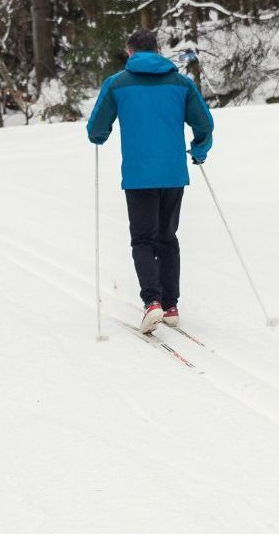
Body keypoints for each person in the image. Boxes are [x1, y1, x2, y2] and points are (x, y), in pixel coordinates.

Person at [87, 27, 214, 332]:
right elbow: (204, 123)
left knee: (143, 239)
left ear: (129, 52)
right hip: (173, 174)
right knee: (167, 238)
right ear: (157, 51)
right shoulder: (181, 83)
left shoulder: (117, 84)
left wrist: (100, 135)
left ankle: (152, 302)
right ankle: (170, 307)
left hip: (139, 174)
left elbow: (96, 129)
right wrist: (199, 150)